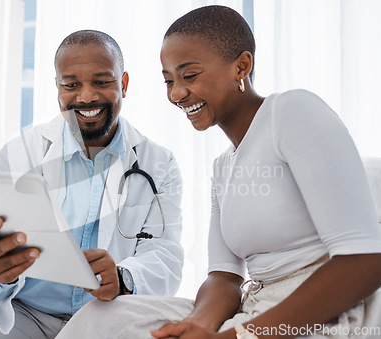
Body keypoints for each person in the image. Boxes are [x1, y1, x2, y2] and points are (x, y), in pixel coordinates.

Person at [55, 6, 381, 339]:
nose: (176, 94)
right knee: (107, 316)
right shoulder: (223, 166)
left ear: (241, 66)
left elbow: (365, 260)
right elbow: (224, 277)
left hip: (322, 313)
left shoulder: (292, 112)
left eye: (189, 75)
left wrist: (236, 336)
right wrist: (197, 326)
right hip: (255, 308)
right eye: (168, 80)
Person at [0, 30, 184, 339]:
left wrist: (123, 277)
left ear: (124, 84)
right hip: (24, 312)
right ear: (57, 87)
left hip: (108, 315)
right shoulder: (19, 153)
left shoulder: (158, 163)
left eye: (102, 82)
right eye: (71, 84)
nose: (86, 96)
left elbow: (164, 253)